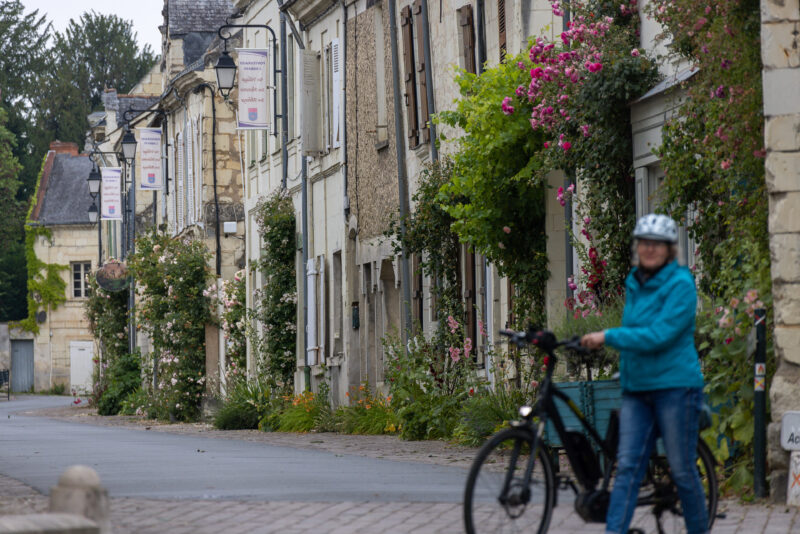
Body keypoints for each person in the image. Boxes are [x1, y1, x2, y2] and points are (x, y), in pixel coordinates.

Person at [581, 213, 708, 534]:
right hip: (637, 389)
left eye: (657, 244)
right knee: (627, 469)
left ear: (669, 249)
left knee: (681, 471)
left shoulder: (681, 284)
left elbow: (658, 336)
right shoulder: (634, 281)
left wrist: (607, 336)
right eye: (644, 243)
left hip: (675, 387)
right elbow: (636, 330)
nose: (649, 249)